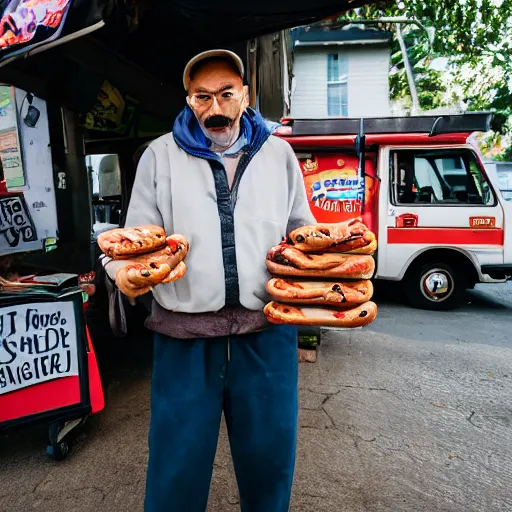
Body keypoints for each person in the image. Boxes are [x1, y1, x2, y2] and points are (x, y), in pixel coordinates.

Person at [104, 49, 315, 512]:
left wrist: (318, 306)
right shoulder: (159, 156)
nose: (214, 107)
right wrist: (121, 272)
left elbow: (303, 234)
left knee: (270, 464)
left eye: (225, 94)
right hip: (184, 337)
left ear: (245, 95)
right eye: (202, 97)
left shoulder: (279, 154)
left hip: (266, 335)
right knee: (176, 468)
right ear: (188, 99)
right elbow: (136, 236)